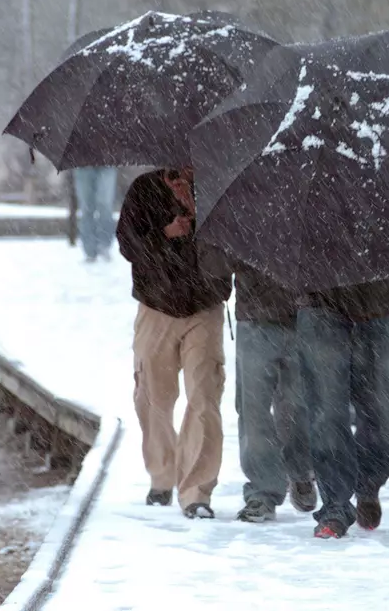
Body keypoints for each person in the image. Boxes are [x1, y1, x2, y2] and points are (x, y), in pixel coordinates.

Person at [116, 167, 233, 520]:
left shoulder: (219, 187)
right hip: (156, 304)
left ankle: (196, 491)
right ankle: (163, 475)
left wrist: (201, 218)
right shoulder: (144, 188)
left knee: (204, 395)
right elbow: (127, 244)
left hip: (205, 304)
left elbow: (239, 243)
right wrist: (164, 234)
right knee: (153, 396)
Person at [298, 280, 389, 538]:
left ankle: (368, 484)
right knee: (326, 411)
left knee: (380, 410)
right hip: (319, 305)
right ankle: (335, 507)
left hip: (378, 307)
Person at [233, 262, 317, 522]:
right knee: (253, 409)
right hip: (255, 316)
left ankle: (301, 472)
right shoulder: (239, 220)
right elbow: (216, 261)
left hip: (304, 315)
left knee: (297, 407)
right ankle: (263, 491)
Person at [72, 165, 118, 262]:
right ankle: (89, 250)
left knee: (105, 205)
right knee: (86, 208)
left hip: (107, 161)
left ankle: (104, 245)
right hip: (82, 163)